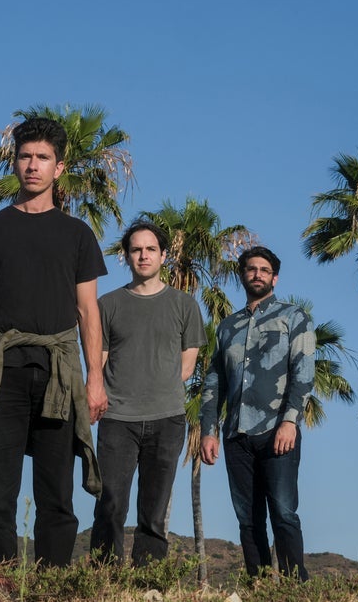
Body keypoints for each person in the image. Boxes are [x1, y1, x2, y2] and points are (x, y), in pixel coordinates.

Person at [0, 117, 108, 568]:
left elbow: (88, 311)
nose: (33, 165)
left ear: (59, 168)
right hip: (3, 371)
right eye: (25, 156)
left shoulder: (77, 234)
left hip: (60, 370)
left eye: (42, 158)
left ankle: (54, 580)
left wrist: (95, 379)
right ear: (15, 163)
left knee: (57, 489)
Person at [89, 221, 205, 565]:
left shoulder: (184, 305)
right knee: (110, 505)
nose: (143, 255)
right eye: (136, 249)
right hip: (117, 419)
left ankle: (147, 578)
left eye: (151, 249)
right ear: (127, 256)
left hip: (167, 419)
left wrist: (155, 388)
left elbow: (187, 365)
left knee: (154, 512)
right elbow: (99, 362)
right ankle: (104, 576)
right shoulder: (108, 304)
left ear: (163, 255)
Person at [199, 246, 314, 581]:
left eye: (264, 270)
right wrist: (208, 430)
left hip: (278, 431)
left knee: (283, 513)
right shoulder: (227, 327)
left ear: (274, 278)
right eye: (251, 269)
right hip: (237, 436)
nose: (257, 274)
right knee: (248, 520)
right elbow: (214, 382)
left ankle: (295, 588)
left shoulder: (294, 318)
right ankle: (259, 588)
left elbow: (303, 372)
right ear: (242, 275)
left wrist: (290, 421)